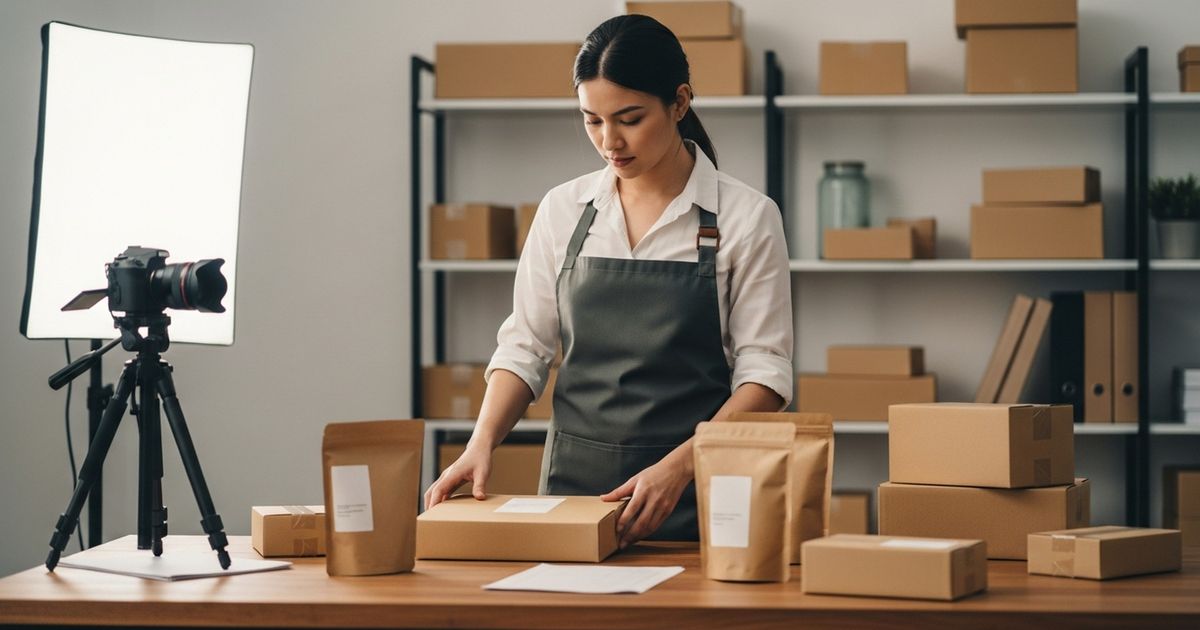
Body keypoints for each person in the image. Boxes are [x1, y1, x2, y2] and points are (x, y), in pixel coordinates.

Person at [424, 14, 792, 547]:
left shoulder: (746, 216)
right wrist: (481, 443)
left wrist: (679, 469)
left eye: (629, 118)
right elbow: (525, 346)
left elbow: (766, 373)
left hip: (699, 488)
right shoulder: (564, 210)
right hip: (573, 491)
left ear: (680, 102)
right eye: (591, 120)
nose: (609, 142)